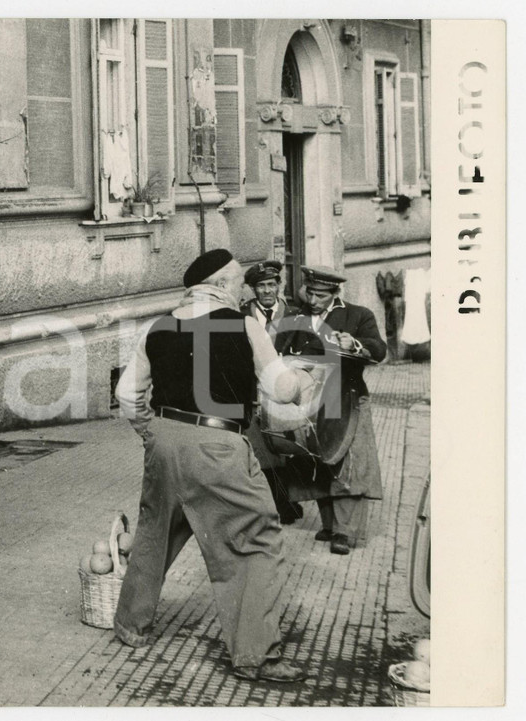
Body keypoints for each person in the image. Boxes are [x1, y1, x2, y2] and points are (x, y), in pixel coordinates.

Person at [114, 248, 312, 683]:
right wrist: (302, 379)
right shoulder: (245, 325)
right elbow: (280, 391)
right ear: (221, 285)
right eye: (239, 282)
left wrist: (150, 432)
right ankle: (255, 655)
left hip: (164, 439)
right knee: (254, 540)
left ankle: (130, 625)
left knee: (155, 530)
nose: (244, 290)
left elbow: (127, 395)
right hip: (219, 444)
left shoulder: (156, 327)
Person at [273, 266, 387, 556]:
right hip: (308, 402)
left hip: (347, 398)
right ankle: (329, 524)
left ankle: (344, 531)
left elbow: (379, 349)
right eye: (310, 292)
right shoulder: (294, 318)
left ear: (336, 293)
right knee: (316, 461)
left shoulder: (358, 315)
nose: (313, 300)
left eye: (321, 295)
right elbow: (278, 353)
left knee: (349, 463)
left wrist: (355, 344)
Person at [240, 260, 303, 524]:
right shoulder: (241, 315)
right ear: (253, 289)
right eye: (260, 286)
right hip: (252, 391)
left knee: (286, 444)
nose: (266, 291)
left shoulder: (296, 315)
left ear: (279, 285)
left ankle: (288, 500)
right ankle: (270, 504)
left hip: (284, 389)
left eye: (271, 284)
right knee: (258, 448)